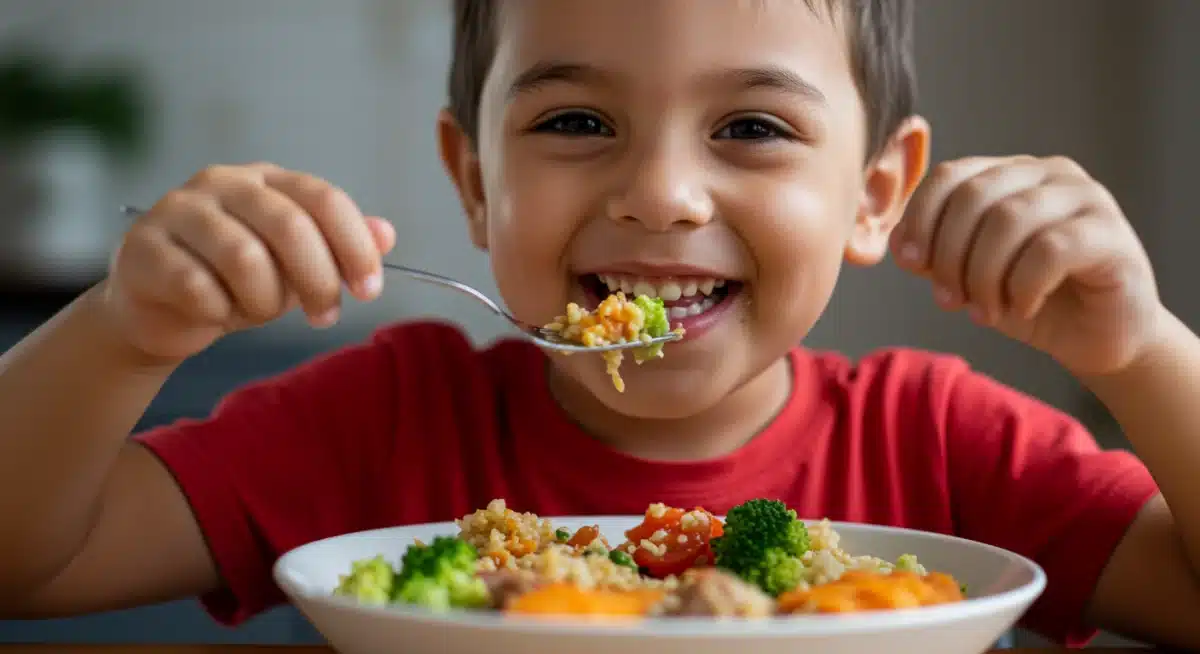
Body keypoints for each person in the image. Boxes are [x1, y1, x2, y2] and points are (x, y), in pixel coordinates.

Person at [1, 0, 1197, 647]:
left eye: (753, 128)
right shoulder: (381, 421)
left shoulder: (942, 444)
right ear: (474, 183)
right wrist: (127, 328)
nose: (661, 194)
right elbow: (28, 565)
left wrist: (1139, 353)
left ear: (875, 193)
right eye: (575, 123)